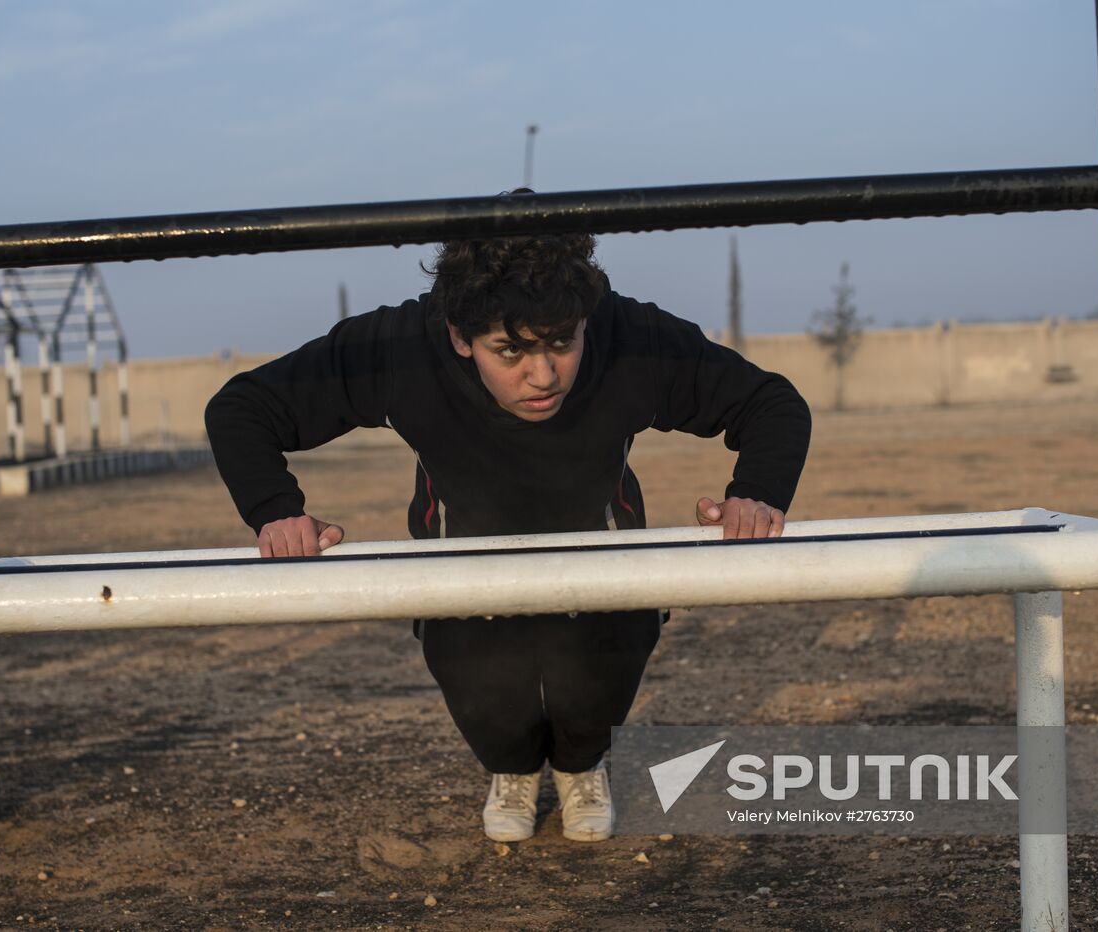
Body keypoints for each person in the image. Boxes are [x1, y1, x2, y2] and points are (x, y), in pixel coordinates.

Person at [205, 218, 811, 842]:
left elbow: (771, 403)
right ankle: (512, 769)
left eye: (561, 343)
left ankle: (581, 766)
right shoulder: (402, 345)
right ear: (459, 336)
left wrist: (756, 493)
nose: (543, 375)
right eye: (512, 351)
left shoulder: (627, 333)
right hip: (464, 566)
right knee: (491, 704)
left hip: (601, 554)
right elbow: (243, 408)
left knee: (596, 686)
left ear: (584, 320)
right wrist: (276, 508)